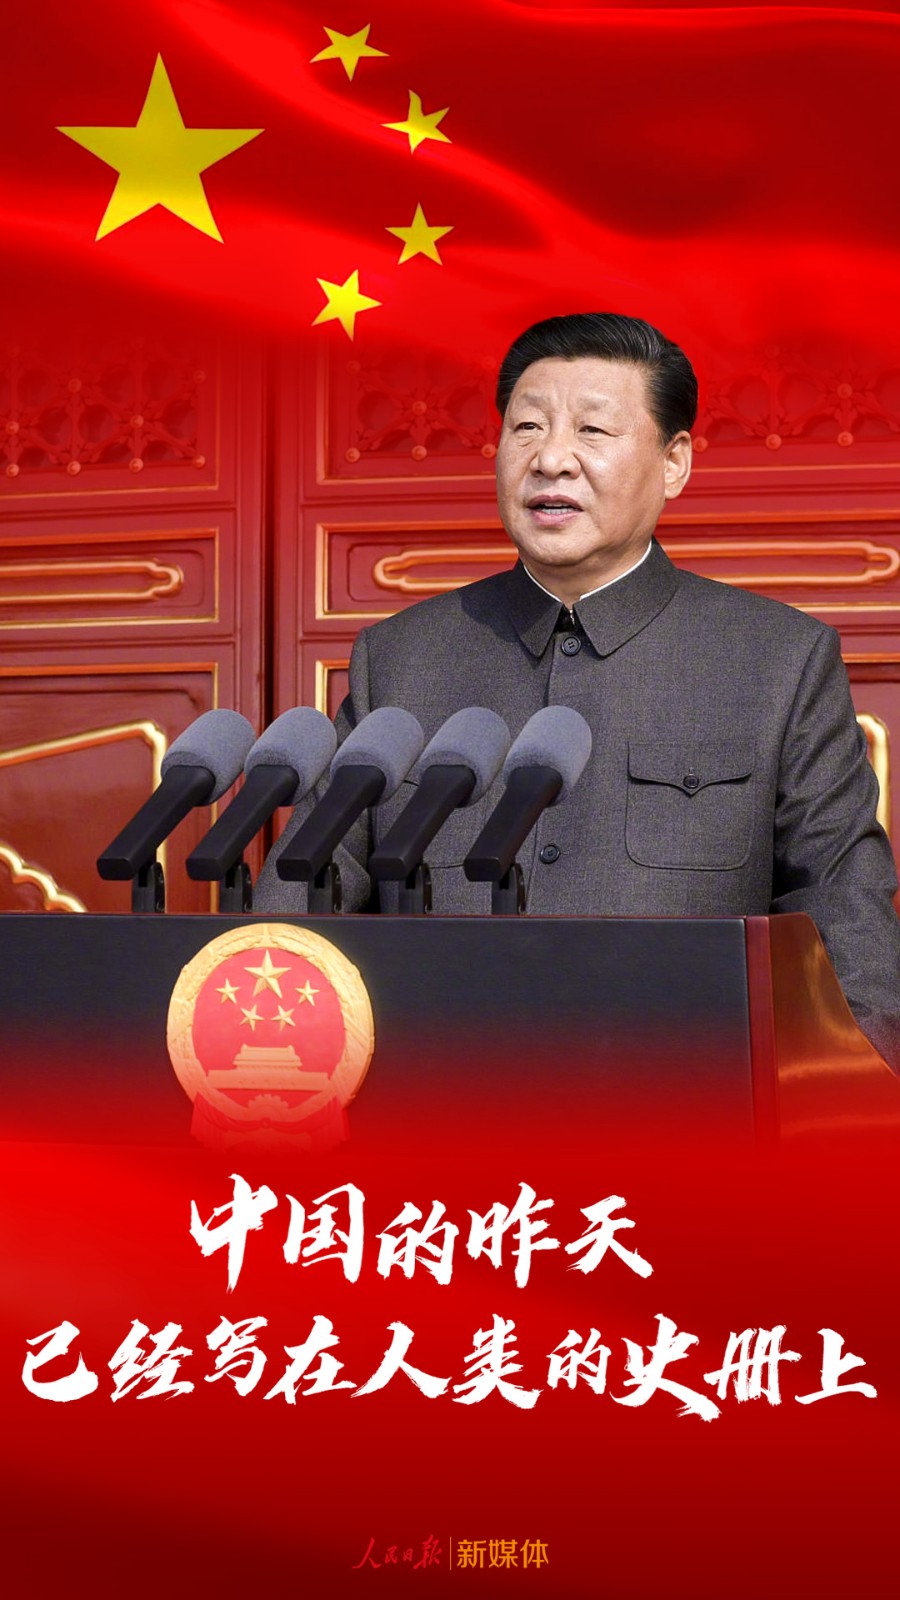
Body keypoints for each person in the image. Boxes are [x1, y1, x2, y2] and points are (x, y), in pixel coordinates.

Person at [256, 312, 900, 1068]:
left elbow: (842, 914)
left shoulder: (776, 660)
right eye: (526, 427)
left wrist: (855, 1096)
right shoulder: (403, 657)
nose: (551, 459)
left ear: (674, 463)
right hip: (438, 1099)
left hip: (687, 1101)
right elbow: (304, 898)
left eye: (592, 430)